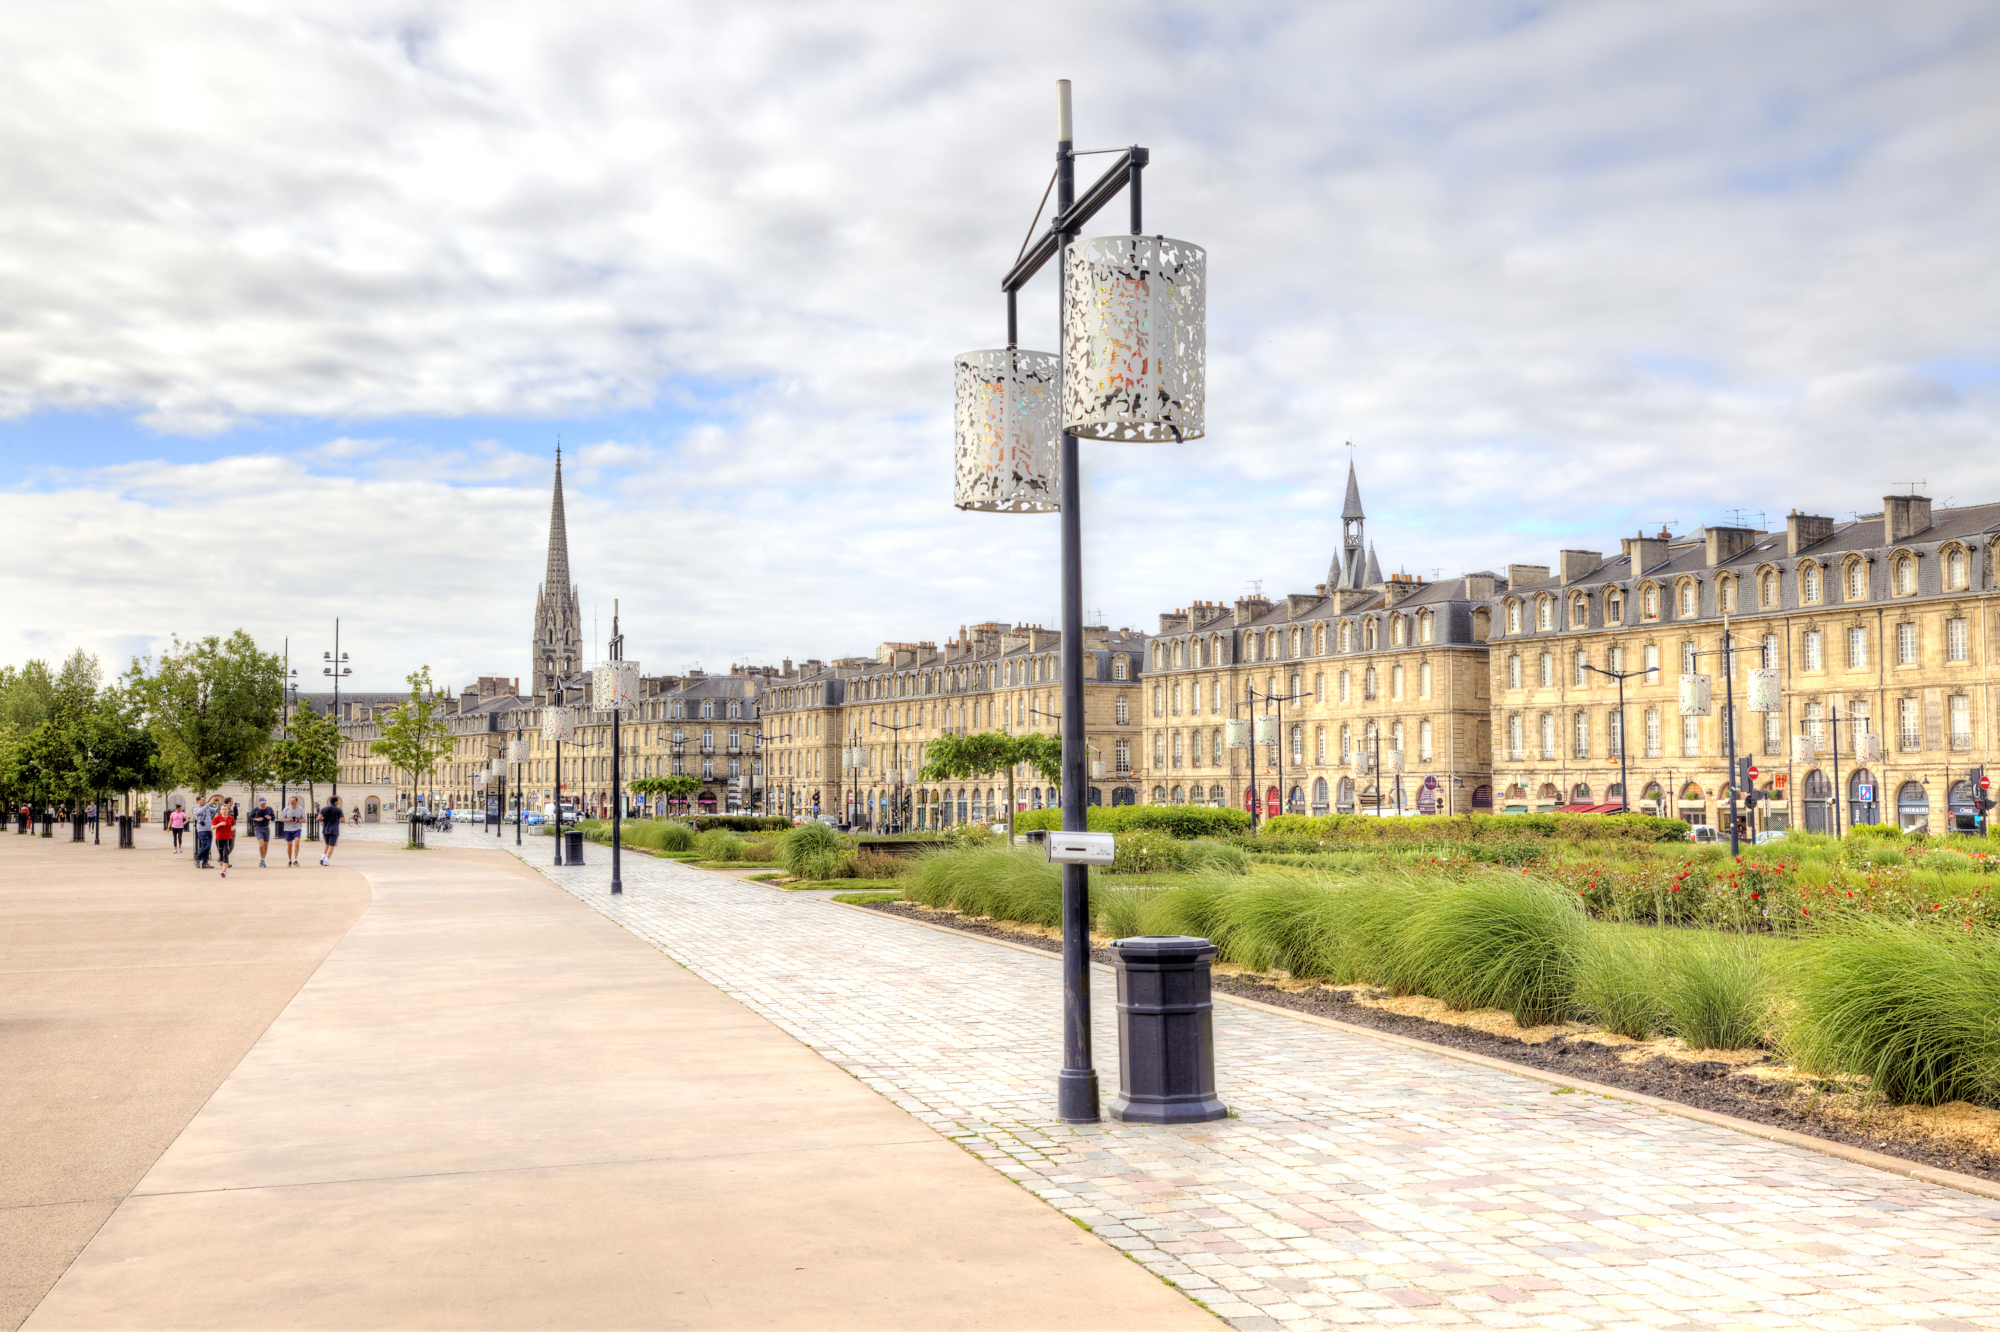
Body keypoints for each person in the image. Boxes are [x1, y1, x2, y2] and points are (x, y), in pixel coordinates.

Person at [280, 796, 307, 866]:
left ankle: (295, 860)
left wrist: (298, 820)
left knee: (297, 843)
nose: (292, 802)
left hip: (297, 828)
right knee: (289, 845)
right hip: (288, 829)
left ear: (296, 801)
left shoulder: (300, 809)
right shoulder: (286, 809)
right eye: (291, 801)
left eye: (293, 801)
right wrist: (288, 820)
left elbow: (304, 820)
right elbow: (281, 819)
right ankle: (289, 860)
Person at [249, 798, 275, 868]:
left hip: (266, 828)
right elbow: (250, 817)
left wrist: (270, 817)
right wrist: (256, 819)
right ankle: (262, 859)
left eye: (264, 803)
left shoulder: (269, 809)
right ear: (259, 803)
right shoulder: (255, 810)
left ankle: (262, 860)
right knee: (261, 844)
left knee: (266, 845)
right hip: (258, 828)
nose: (263, 804)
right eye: (261, 803)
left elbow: (273, 817)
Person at [319, 795, 344, 865]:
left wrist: (324, 820)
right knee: (331, 846)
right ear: (336, 802)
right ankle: (326, 861)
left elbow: (319, 818)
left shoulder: (324, 809)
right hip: (334, 830)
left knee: (326, 844)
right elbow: (343, 820)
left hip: (325, 829)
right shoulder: (338, 810)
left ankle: (322, 857)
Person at [212, 804, 236, 877]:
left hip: (228, 838)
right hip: (219, 838)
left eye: (225, 809)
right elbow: (212, 827)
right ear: (220, 810)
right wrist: (219, 824)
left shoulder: (230, 818)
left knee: (226, 853)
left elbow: (234, 825)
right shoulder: (217, 818)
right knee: (221, 855)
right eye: (223, 809)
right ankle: (222, 864)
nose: (224, 811)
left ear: (228, 810)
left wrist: (234, 828)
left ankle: (224, 871)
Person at [191, 798, 215, 869]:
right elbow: (200, 811)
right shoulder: (196, 809)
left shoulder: (208, 808)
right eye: (202, 800)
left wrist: (219, 804)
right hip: (202, 830)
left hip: (209, 829)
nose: (204, 801)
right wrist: (210, 803)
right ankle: (197, 859)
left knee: (208, 846)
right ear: (198, 801)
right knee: (206, 845)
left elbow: (215, 810)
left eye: (205, 800)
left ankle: (205, 862)